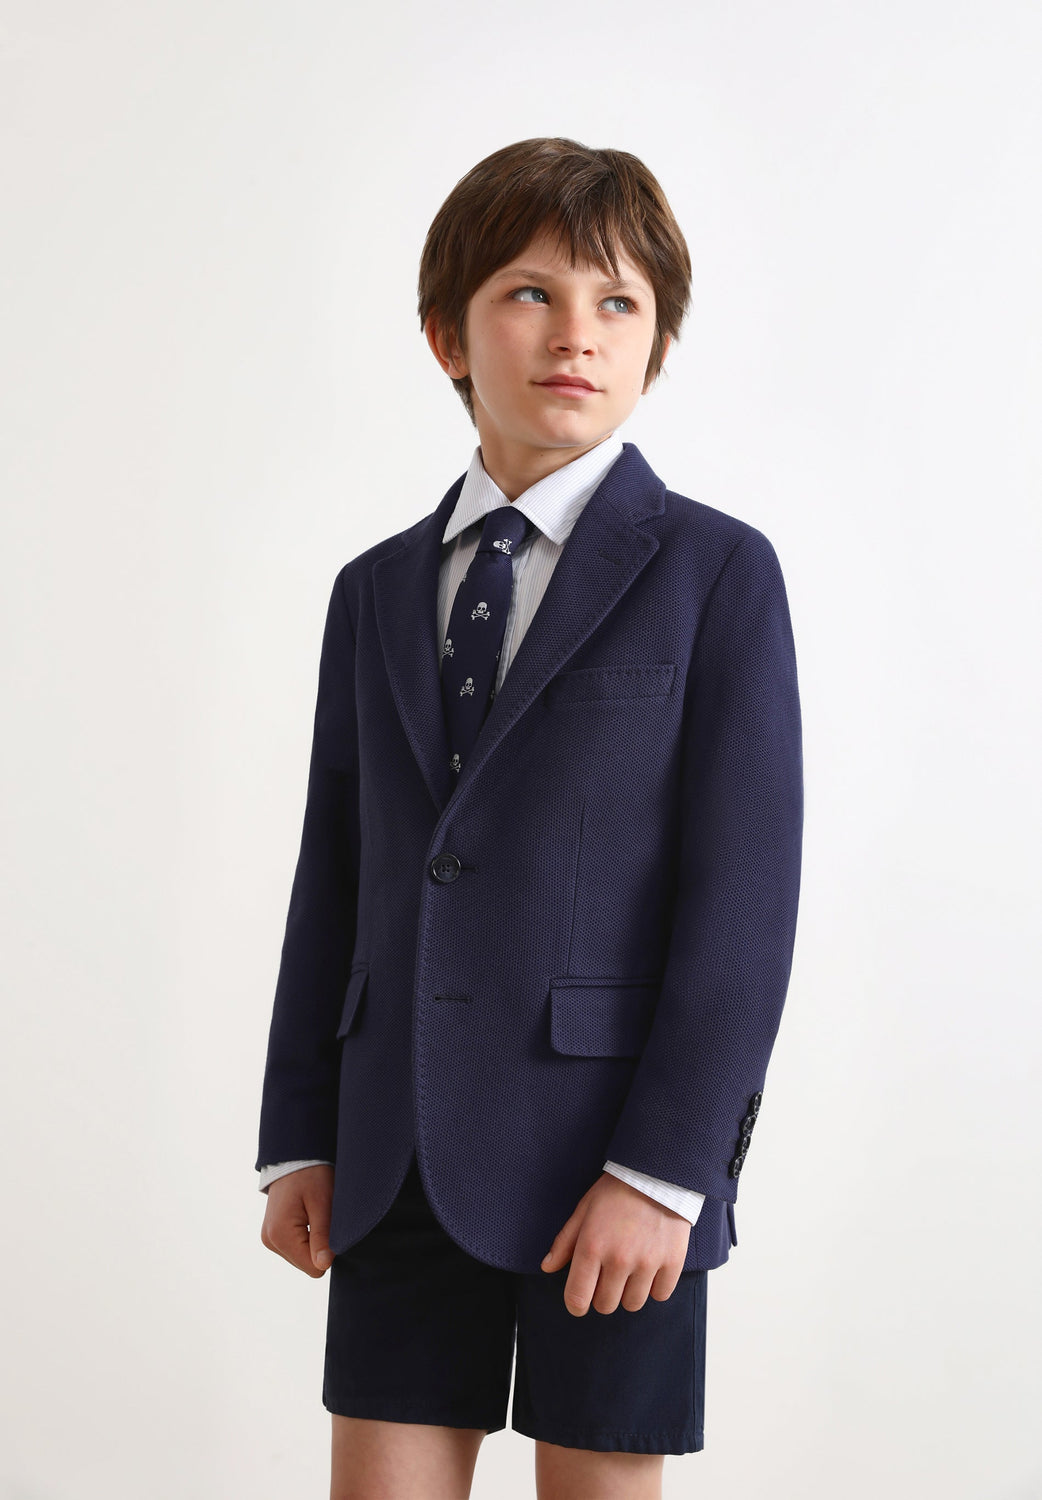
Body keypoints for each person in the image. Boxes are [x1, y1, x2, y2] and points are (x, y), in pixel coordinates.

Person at [256, 136, 804, 1500]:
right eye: (530, 294)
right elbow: (338, 873)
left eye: (618, 302)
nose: (577, 335)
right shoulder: (374, 591)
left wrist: (667, 1171)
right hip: (394, 1147)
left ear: (655, 341)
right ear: (447, 333)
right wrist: (302, 1131)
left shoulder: (715, 573)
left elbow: (742, 902)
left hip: (608, 1155)